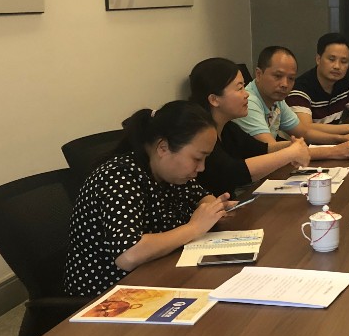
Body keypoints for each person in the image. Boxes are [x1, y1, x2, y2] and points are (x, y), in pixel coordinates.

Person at [64, 101, 235, 297]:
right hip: (107, 294)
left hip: (156, 273)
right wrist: (194, 228)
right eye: (197, 158)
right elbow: (129, 254)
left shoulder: (168, 171)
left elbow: (201, 197)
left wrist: (213, 208)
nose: (202, 167)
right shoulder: (119, 177)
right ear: (163, 148)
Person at [189, 57, 313, 196]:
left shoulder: (228, 127)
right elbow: (234, 172)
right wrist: (290, 153)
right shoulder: (198, 133)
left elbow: (260, 149)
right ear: (214, 99)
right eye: (239, 88)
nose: (246, 94)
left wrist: (293, 145)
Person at [234, 46, 349, 158]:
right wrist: (333, 151)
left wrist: (340, 139)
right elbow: (271, 149)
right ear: (258, 74)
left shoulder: (276, 99)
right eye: (278, 76)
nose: (285, 84)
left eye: (291, 78)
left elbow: (304, 132)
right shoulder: (248, 102)